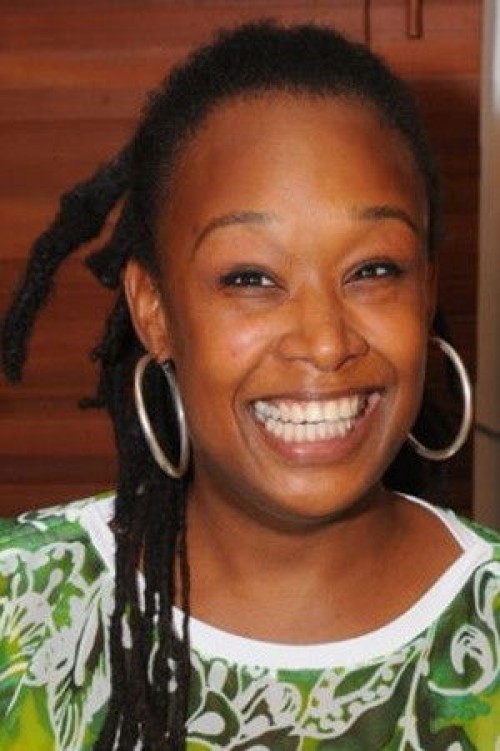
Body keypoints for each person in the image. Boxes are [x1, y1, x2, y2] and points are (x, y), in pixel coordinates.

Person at [0, 20, 498, 751]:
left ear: (425, 292)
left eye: (373, 270)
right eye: (250, 278)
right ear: (155, 311)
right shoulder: (17, 612)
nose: (325, 341)